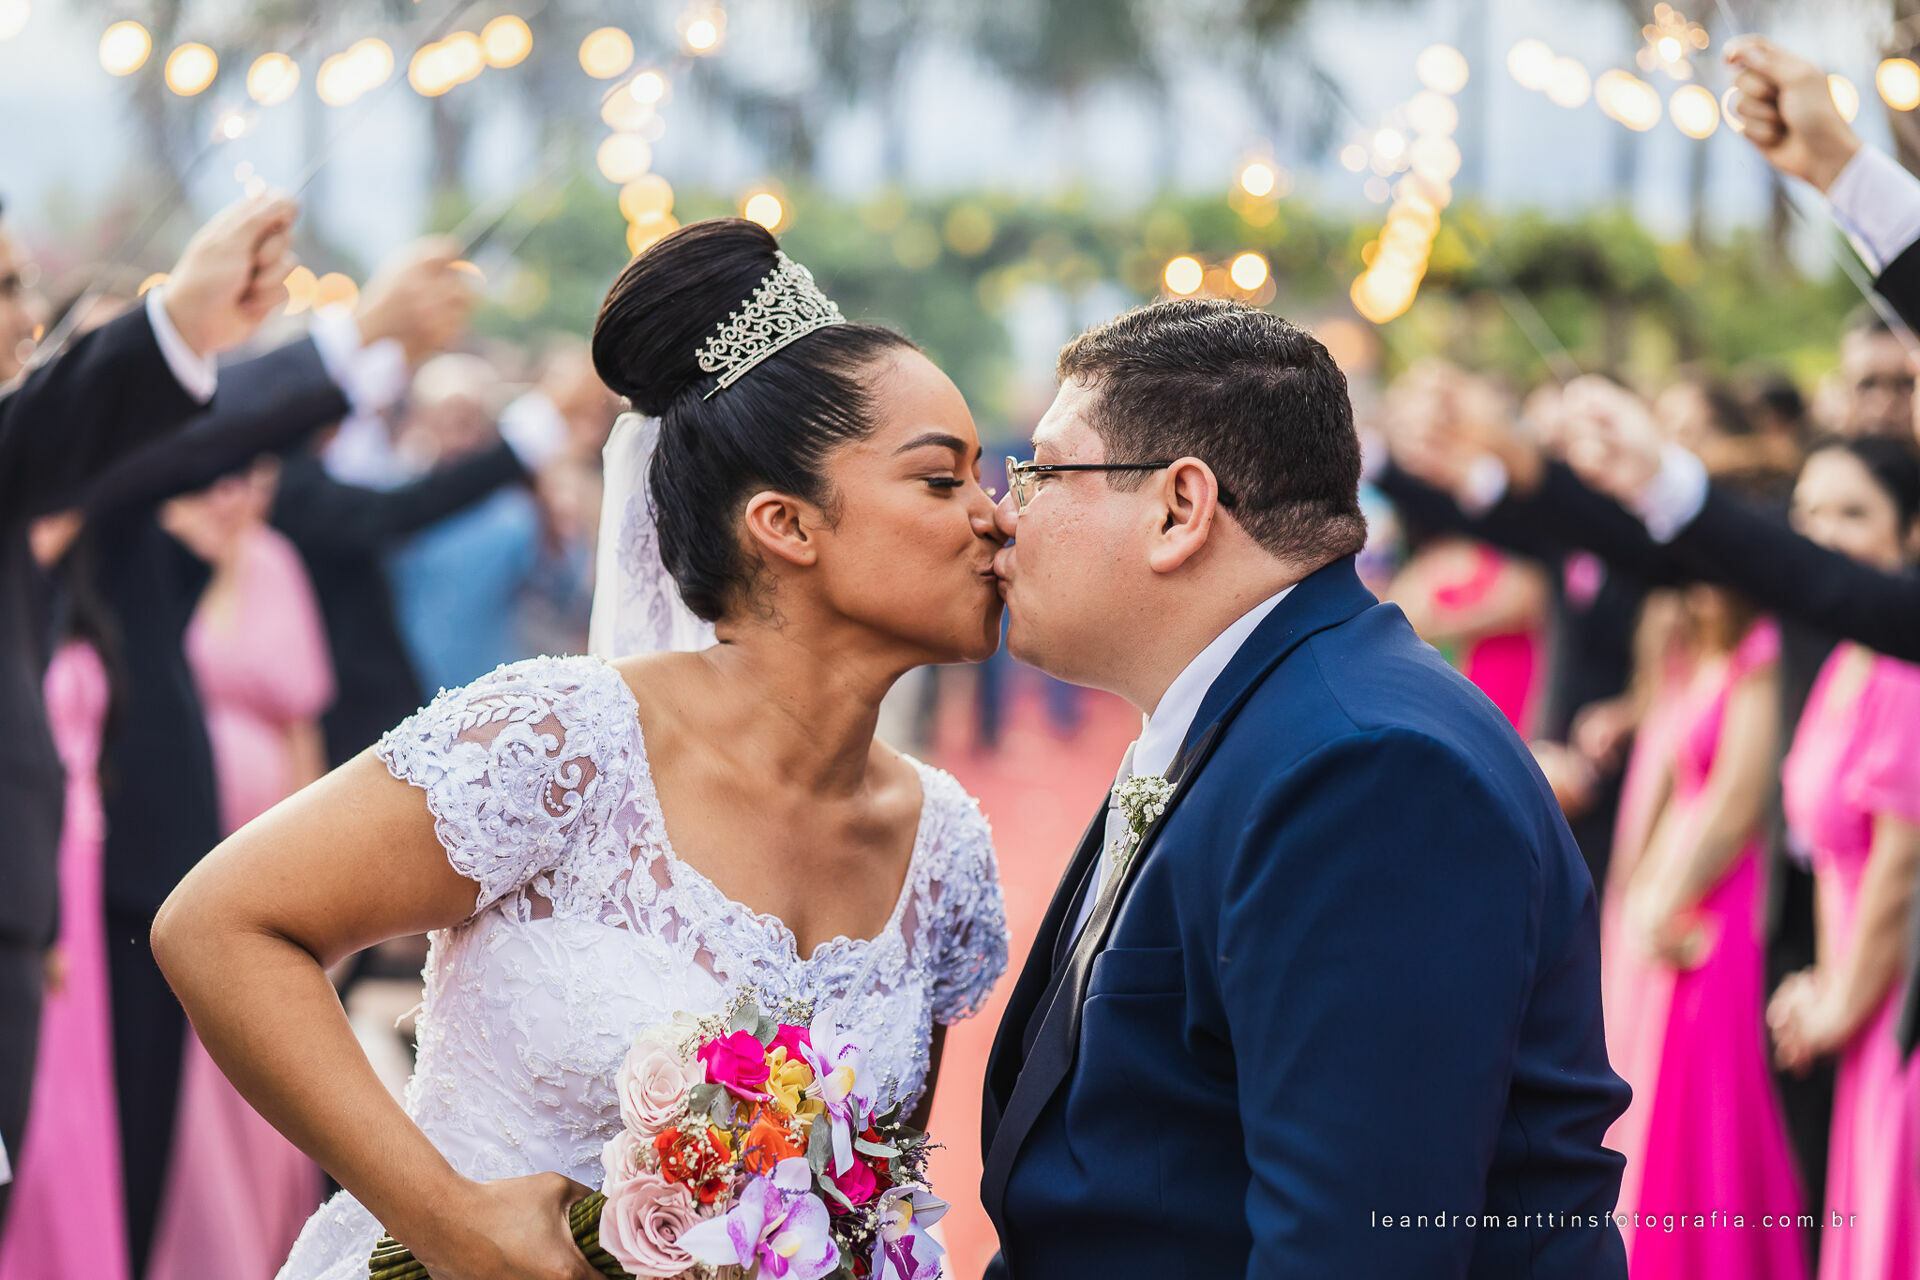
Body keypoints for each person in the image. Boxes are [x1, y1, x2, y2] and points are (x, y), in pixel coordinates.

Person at [153, 219, 1010, 1279]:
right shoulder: (569, 743)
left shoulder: (946, 851)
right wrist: (444, 1217)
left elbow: (869, 1203)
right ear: (786, 523)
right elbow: (217, 924)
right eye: (943, 480)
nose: (994, 517)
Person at [979, 298, 1629, 1278]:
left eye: (1041, 470)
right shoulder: (1266, 709)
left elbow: (1351, 1251)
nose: (1000, 509)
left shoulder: (1366, 769)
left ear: (1178, 507)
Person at [0, 191, 297, 1232]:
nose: (25, 321)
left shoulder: (82, 552)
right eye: (5, 290)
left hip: (46, 906)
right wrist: (184, 324)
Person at [143, 460, 333, 1280]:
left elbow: (303, 733)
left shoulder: (276, 563)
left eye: (259, 478)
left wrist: (322, 883)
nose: (241, 496)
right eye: (228, 476)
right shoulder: (151, 553)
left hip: (258, 847)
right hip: (165, 852)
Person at [1597, 580, 1807, 1280]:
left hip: (1720, 901)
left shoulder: (1760, 654)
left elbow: (1735, 800)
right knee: (1663, 1097)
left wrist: (1663, 898)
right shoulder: (1702, 651)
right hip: (1675, 891)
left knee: (1707, 1098)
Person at [1768, 437, 1920, 1280]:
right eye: (1809, 514)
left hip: (1896, 1006)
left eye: (1853, 513)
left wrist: (1838, 1004)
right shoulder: (1843, 659)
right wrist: (1820, 984)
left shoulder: (1904, 667)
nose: (1823, 534)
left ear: (1912, 535)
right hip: (1856, 995)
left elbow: (1900, 871)